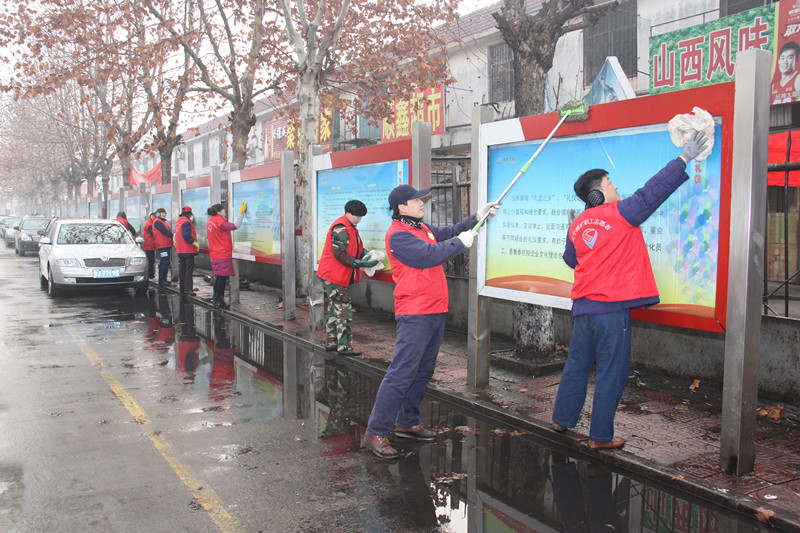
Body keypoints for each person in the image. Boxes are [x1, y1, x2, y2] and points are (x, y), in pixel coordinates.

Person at [550, 130, 709, 450]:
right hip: (611, 311)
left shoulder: (578, 224)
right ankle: (600, 437)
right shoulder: (622, 213)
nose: (616, 188)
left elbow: (571, 260)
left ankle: (562, 419)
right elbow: (653, 191)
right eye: (610, 184)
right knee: (611, 371)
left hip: (583, 309)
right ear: (597, 193)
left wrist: (581, 233)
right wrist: (683, 157)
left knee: (577, 366)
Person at [363, 184, 500, 459]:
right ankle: (376, 431)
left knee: (423, 371)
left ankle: (407, 423)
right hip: (415, 312)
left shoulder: (420, 228)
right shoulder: (398, 235)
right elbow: (429, 256)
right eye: (416, 200)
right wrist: (461, 243)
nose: (421, 203)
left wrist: (477, 217)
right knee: (402, 372)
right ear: (402, 207)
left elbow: (447, 233)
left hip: (435, 309)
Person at [317, 199, 378, 356]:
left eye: (361, 217)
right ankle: (345, 347)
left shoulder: (350, 227)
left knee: (334, 309)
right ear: (348, 213)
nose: (359, 220)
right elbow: (339, 253)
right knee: (344, 310)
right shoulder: (341, 228)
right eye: (357, 216)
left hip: (336, 275)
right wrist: (359, 263)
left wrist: (367, 255)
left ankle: (331, 342)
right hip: (334, 276)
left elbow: (356, 248)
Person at [206, 202, 246, 309]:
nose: (224, 211)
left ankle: (216, 299)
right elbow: (235, 226)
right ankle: (219, 301)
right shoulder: (220, 221)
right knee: (221, 279)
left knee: (219, 278)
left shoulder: (210, 221)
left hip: (215, 253)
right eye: (223, 210)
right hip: (222, 253)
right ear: (219, 212)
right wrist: (241, 213)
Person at [174, 206, 200, 296]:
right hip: (187, 249)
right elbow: (186, 235)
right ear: (189, 214)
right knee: (189, 269)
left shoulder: (178, 221)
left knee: (182, 269)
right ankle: (188, 289)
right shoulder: (186, 222)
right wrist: (194, 242)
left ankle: (182, 288)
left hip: (180, 249)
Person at [152, 208, 173, 286]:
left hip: (165, 245)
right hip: (162, 246)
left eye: (165, 213)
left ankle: (163, 279)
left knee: (165, 261)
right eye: (162, 213)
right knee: (164, 261)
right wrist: (173, 235)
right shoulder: (158, 222)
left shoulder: (161, 222)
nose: (164, 214)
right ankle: (162, 279)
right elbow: (165, 232)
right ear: (158, 214)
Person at [142, 212, 157, 281]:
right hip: (149, 245)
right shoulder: (149, 224)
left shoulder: (150, 223)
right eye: (153, 216)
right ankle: (150, 276)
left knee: (151, 261)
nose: (154, 217)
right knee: (151, 261)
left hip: (149, 245)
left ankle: (150, 275)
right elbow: (152, 233)